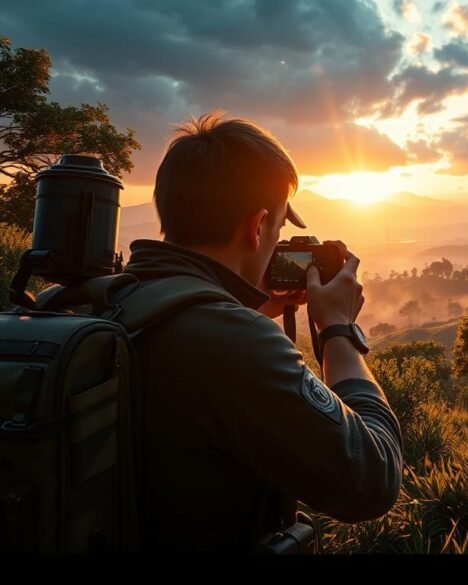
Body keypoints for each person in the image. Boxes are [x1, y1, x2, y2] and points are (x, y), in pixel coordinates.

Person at [122, 112, 402, 553]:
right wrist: (338, 330)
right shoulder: (231, 342)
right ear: (256, 227)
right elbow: (373, 477)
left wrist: (245, 308)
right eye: (276, 231)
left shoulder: (110, 298)